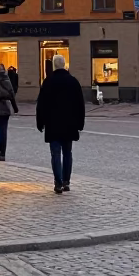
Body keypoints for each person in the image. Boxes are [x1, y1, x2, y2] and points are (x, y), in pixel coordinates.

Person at [35, 53, 86, 194]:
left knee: (55, 153)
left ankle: (58, 182)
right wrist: (80, 123)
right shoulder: (73, 81)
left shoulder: (48, 81)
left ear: (54, 66)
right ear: (64, 65)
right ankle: (66, 181)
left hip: (53, 123)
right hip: (69, 124)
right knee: (67, 153)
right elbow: (80, 105)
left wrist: (40, 122)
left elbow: (41, 104)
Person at [0, 62, 19, 161]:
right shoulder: (6, 79)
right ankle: (2, 154)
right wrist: (15, 108)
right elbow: (12, 94)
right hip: (4, 109)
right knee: (3, 132)